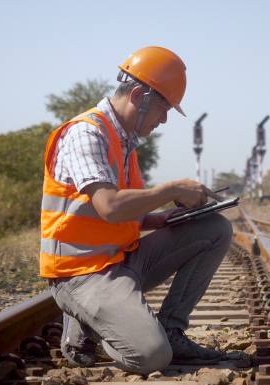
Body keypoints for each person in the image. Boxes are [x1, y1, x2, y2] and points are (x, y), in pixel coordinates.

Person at [39, 46, 233, 375]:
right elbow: (109, 207)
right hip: (82, 274)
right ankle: (84, 323)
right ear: (139, 95)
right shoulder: (86, 134)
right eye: (164, 107)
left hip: (120, 260)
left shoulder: (125, 141)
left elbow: (120, 217)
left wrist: (161, 219)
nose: (165, 118)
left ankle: (172, 329)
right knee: (152, 356)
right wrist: (170, 189)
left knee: (214, 228)